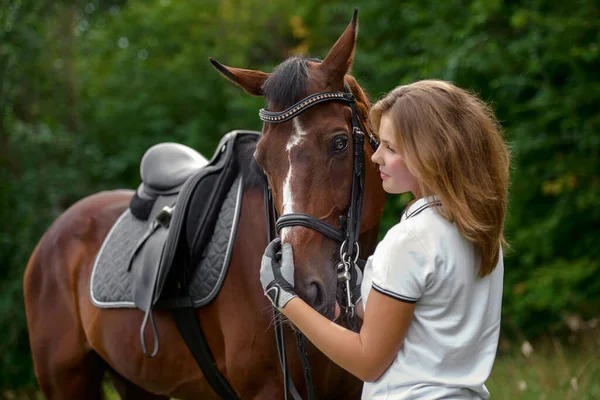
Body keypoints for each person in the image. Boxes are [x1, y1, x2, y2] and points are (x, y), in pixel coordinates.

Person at [260, 79, 510, 399]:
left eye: (390, 148)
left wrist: (283, 297)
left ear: (431, 153)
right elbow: (427, 323)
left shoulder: (410, 241)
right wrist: (353, 291)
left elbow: (369, 363)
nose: (376, 157)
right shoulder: (477, 231)